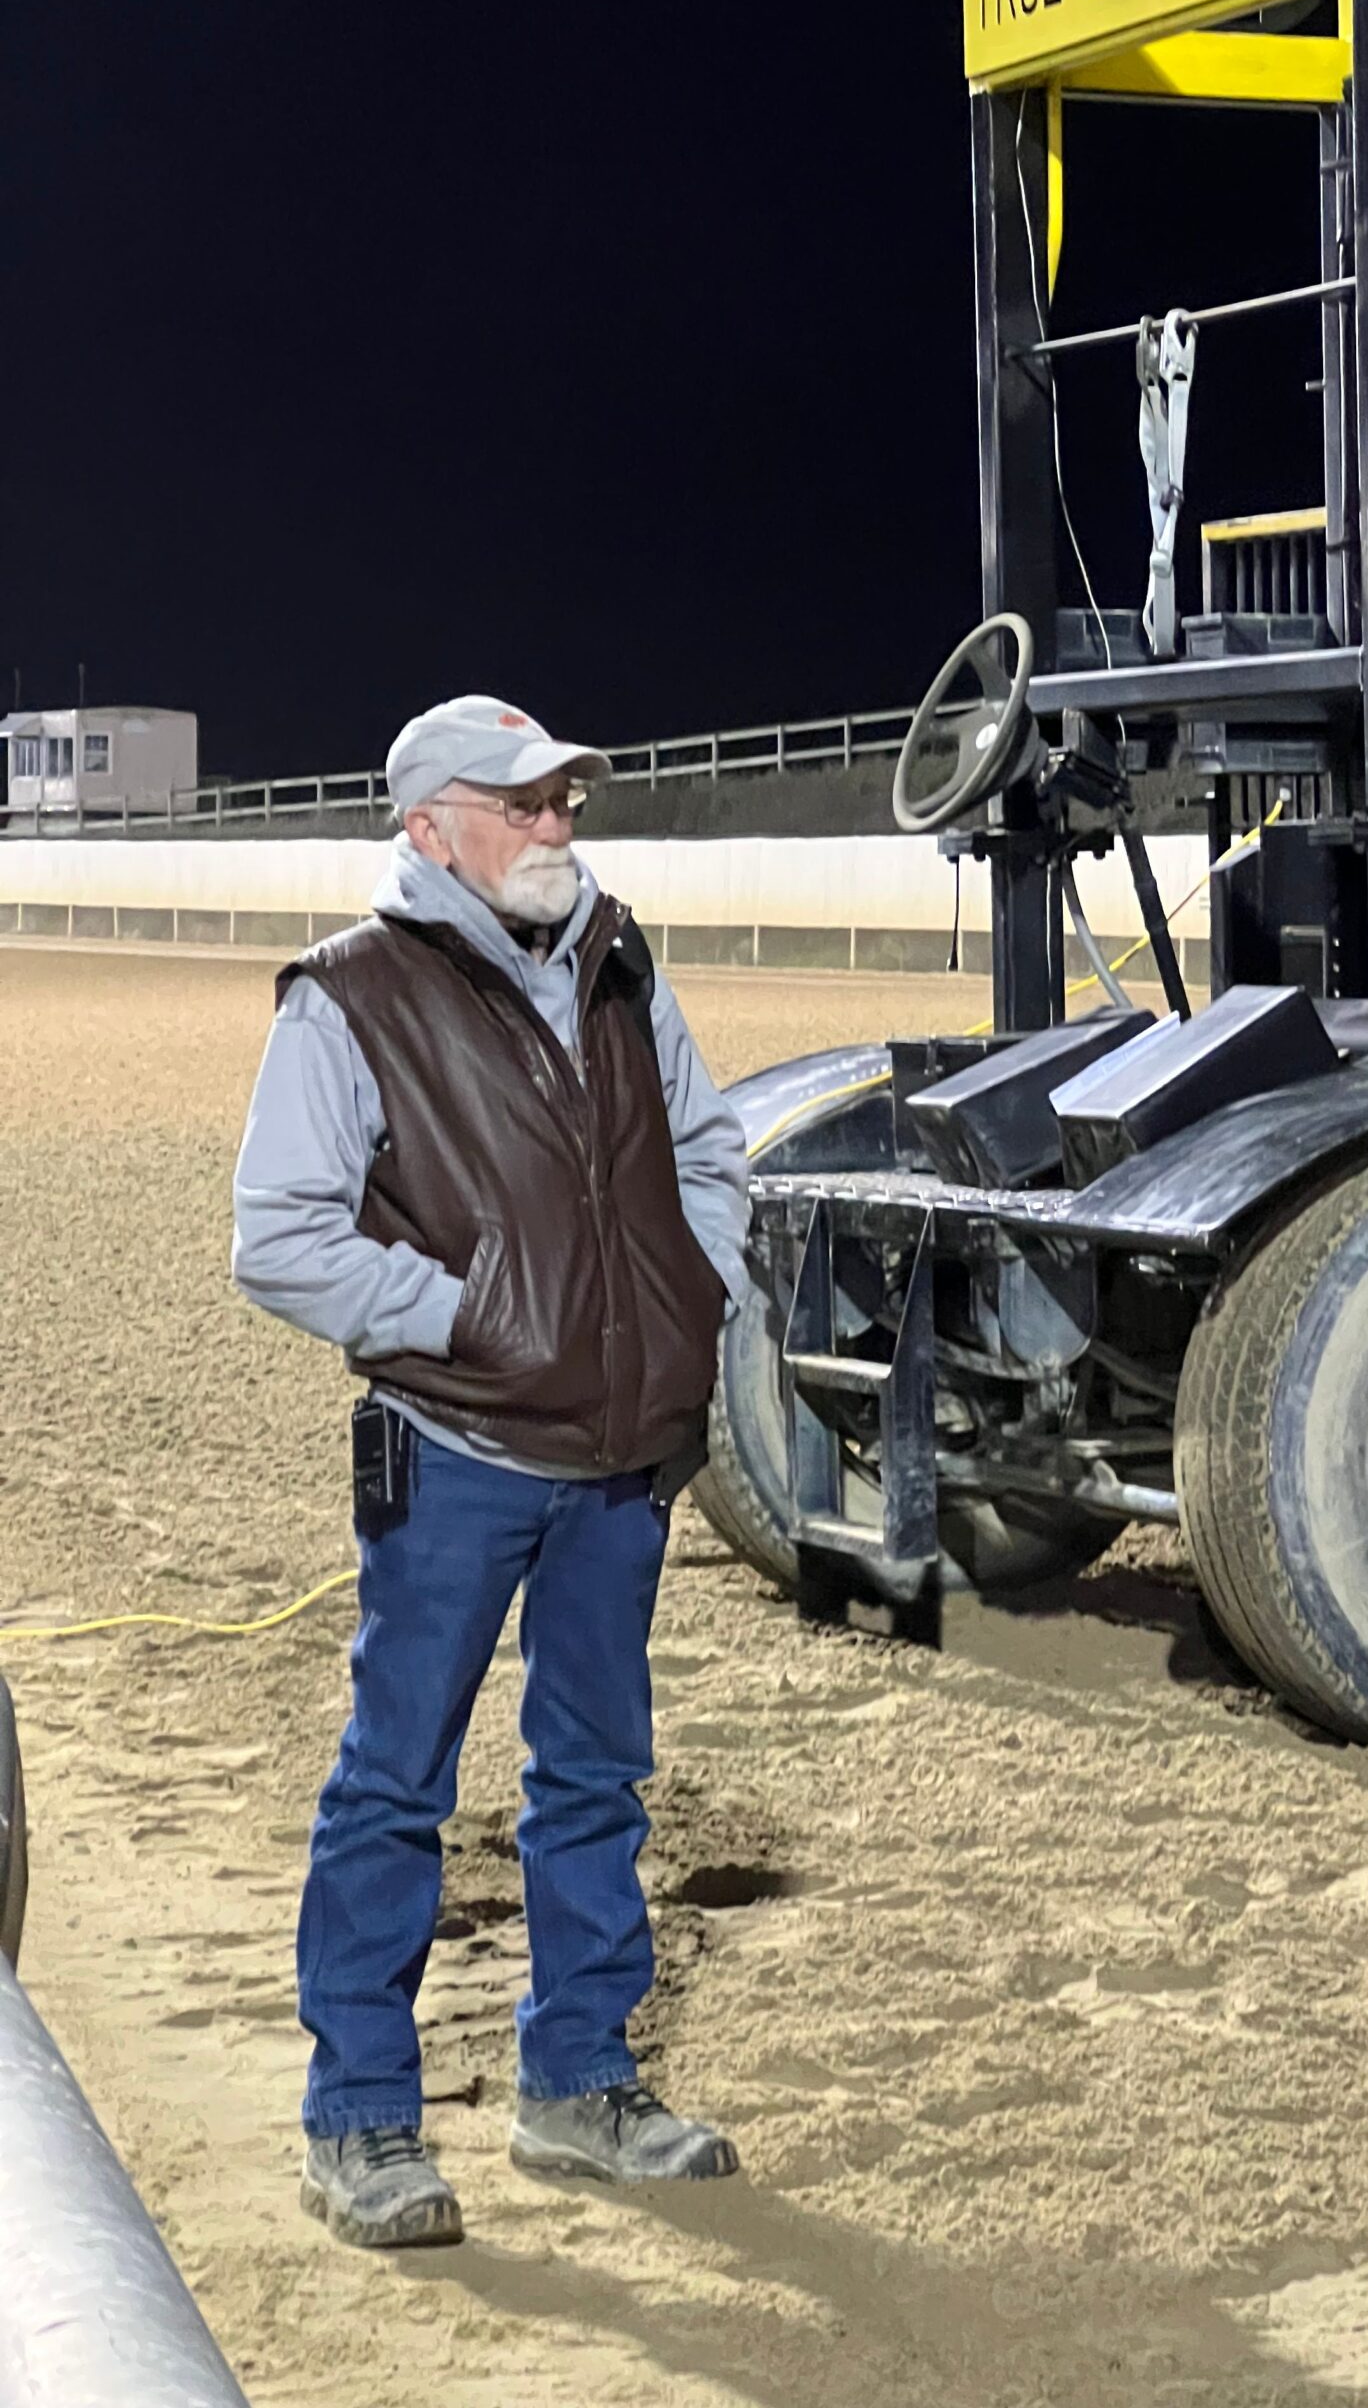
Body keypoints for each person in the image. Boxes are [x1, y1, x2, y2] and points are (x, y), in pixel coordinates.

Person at [232, 694, 751, 2251]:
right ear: (428, 826)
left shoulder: (619, 961)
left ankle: (578, 2084)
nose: (555, 828)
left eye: (564, 802)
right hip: (453, 1453)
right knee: (398, 1785)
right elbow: (280, 1236)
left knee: (594, 1781)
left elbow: (711, 1154)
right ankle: (360, 2122)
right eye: (521, 803)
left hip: (617, 1461)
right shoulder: (348, 996)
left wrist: (685, 1295)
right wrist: (465, 1319)